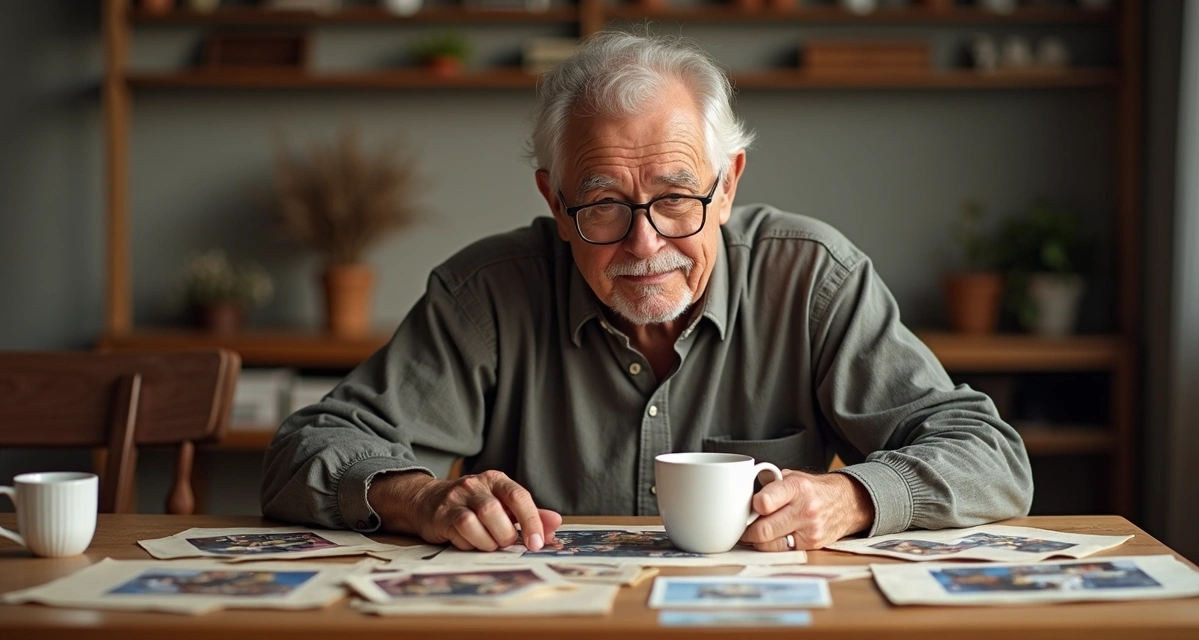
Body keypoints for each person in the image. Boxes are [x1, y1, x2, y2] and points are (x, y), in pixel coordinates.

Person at [261, 31, 1033, 553]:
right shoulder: (487, 294)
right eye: (601, 204)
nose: (643, 244)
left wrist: (852, 500)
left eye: (675, 198)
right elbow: (304, 450)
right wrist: (417, 498)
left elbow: (989, 454)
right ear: (555, 203)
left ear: (727, 185)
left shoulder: (812, 278)